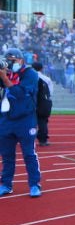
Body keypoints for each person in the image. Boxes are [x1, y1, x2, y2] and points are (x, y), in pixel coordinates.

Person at [0, 49, 42, 197]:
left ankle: (35, 184)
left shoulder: (30, 74)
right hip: (6, 119)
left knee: (29, 154)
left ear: (21, 60)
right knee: (6, 156)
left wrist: (5, 78)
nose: (11, 63)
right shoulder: (4, 73)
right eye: (8, 60)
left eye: (13, 60)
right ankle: (6, 184)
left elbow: (20, 93)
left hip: (25, 119)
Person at [32, 61, 53, 146]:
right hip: (43, 103)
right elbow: (50, 93)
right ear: (41, 68)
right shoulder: (46, 79)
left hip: (31, 102)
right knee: (42, 122)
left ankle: (25, 139)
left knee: (27, 121)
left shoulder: (28, 77)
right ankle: (43, 140)